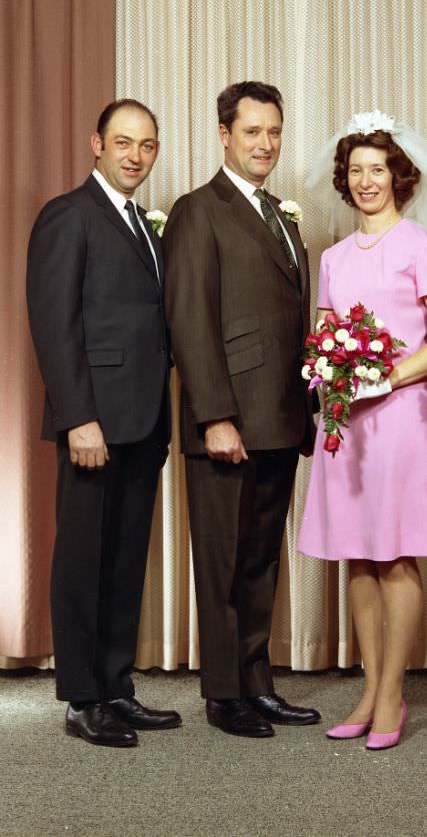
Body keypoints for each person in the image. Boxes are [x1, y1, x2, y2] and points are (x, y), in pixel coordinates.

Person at [297, 111, 427, 750]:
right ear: (346, 180)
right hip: (348, 423)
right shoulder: (334, 257)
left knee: (396, 554)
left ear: (399, 176)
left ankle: (393, 692)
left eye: (379, 170)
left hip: (399, 418)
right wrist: (333, 372)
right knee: (357, 559)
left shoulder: (421, 246)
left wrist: (388, 378)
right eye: (357, 171)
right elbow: (323, 336)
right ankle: (369, 688)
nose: (368, 181)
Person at [162, 81, 320, 738]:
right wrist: (214, 415)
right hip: (227, 421)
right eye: (252, 131)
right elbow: (190, 320)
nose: (265, 144)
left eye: (274, 132)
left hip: (280, 417)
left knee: (260, 561)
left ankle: (257, 683)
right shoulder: (198, 210)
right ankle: (224, 694)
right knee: (224, 562)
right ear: (224, 134)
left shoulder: (281, 216)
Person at [26, 99, 180, 747]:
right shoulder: (69, 215)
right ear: (96, 143)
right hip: (95, 420)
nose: (135, 155)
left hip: (143, 419)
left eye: (146, 145)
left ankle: (117, 686)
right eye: (123, 142)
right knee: (83, 559)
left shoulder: (143, 224)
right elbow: (54, 327)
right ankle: (82, 697)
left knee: (122, 562)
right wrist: (78, 418)